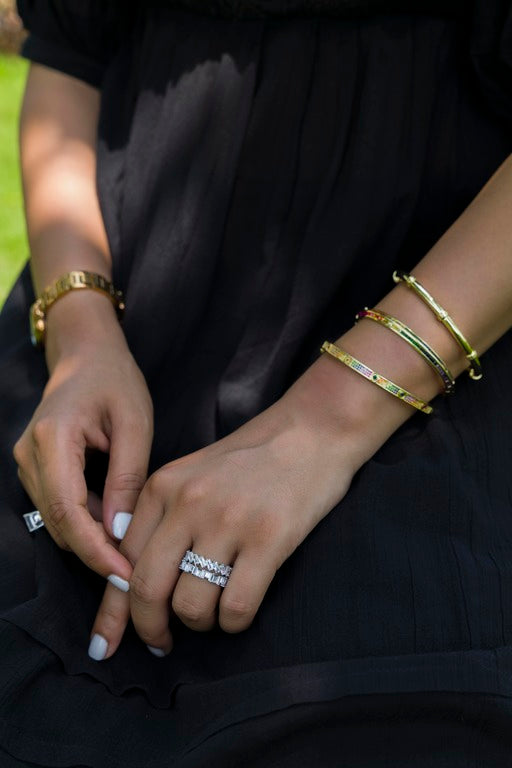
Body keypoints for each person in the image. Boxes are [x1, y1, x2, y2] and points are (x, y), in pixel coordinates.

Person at [1, 0, 512, 765]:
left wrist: (325, 423)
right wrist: (80, 333)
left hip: (438, 358)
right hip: (109, 351)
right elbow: (69, 53)